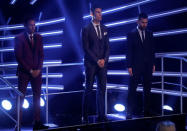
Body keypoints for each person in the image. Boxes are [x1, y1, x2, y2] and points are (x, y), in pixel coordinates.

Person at [14, 17, 48, 130]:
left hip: (37, 73)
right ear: (25, 26)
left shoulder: (39, 37)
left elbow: (42, 55)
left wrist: (38, 69)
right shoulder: (18, 38)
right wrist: (30, 70)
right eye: (30, 25)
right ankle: (18, 123)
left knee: (37, 98)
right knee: (21, 98)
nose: (33, 27)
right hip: (24, 72)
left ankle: (37, 122)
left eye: (34, 25)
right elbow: (19, 57)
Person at [81, 4, 110, 123]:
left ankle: (101, 115)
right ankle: (85, 115)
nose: (100, 14)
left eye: (101, 12)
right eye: (98, 12)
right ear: (92, 14)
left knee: (102, 89)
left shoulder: (105, 28)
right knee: (88, 89)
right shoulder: (86, 29)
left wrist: (104, 59)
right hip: (91, 64)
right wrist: (97, 60)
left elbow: (108, 47)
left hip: (102, 65)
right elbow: (86, 48)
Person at [126, 13, 155, 119]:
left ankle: (146, 111)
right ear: (138, 21)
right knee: (132, 90)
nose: (145, 24)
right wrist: (129, 66)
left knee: (147, 89)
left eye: (146, 22)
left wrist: (153, 64)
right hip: (135, 66)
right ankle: (129, 112)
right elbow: (128, 51)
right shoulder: (131, 34)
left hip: (147, 66)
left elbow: (152, 50)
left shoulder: (150, 33)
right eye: (143, 22)